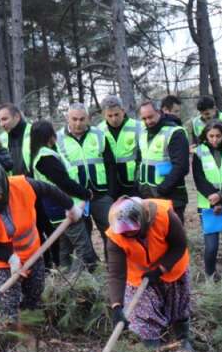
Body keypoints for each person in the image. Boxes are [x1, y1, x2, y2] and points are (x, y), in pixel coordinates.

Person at [0, 162, 82, 323]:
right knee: (9, 295)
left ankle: (29, 319)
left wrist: (70, 206)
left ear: (3, 187)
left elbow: (50, 189)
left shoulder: (22, 186)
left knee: (35, 288)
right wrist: (10, 258)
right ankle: (10, 327)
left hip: (30, 250)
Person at [105, 196, 192, 350]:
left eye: (133, 232)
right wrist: (117, 306)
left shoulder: (164, 215)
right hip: (140, 276)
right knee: (143, 315)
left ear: (143, 220)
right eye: (126, 234)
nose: (129, 236)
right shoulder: (115, 237)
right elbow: (116, 273)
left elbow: (180, 245)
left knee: (178, 307)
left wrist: (160, 269)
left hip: (172, 267)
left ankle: (183, 340)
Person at [28, 121, 96, 271]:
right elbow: (63, 182)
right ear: (50, 136)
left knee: (65, 247)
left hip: (57, 208)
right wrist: (85, 193)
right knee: (83, 249)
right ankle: (79, 279)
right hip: (65, 208)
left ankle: (63, 276)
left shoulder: (43, 154)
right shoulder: (46, 158)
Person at [60, 104, 117, 248]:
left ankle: (113, 264)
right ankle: (90, 266)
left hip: (101, 194)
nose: (78, 123)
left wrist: (110, 193)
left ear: (88, 119)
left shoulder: (98, 135)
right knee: (83, 236)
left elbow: (110, 164)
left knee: (111, 232)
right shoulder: (58, 139)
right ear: (67, 118)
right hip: (75, 196)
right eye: (74, 119)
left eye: (82, 119)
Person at [192, 120, 222, 279]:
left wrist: (221, 196)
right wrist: (214, 198)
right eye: (211, 136)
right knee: (211, 245)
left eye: (218, 136)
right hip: (207, 204)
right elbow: (199, 179)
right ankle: (210, 275)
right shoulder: (199, 153)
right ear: (206, 136)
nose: (214, 139)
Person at [137, 98, 190, 220]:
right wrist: (138, 184)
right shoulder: (143, 133)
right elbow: (140, 162)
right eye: (144, 118)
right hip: (148, 195)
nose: (148, 121)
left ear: (159, 112)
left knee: (173, 236)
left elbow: (181, 167)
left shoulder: (175, 132)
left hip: (171, 195)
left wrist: (162, 189)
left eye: (150, 117)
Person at [97, 97, 143, 198]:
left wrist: (138, 180)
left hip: (133, 184)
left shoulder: (138, 127)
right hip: (110, 184)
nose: (114, 119)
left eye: (116, 114)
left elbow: (143, 157)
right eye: (110, 115)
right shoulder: (99, 130)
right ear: (104, 115)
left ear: (123, 111)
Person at [0, 103, 32, 175]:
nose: (1, 124)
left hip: (36, 184)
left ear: (17, 116)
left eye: (4, 119)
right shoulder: (0, 139)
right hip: (13, 184)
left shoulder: (35, 132)